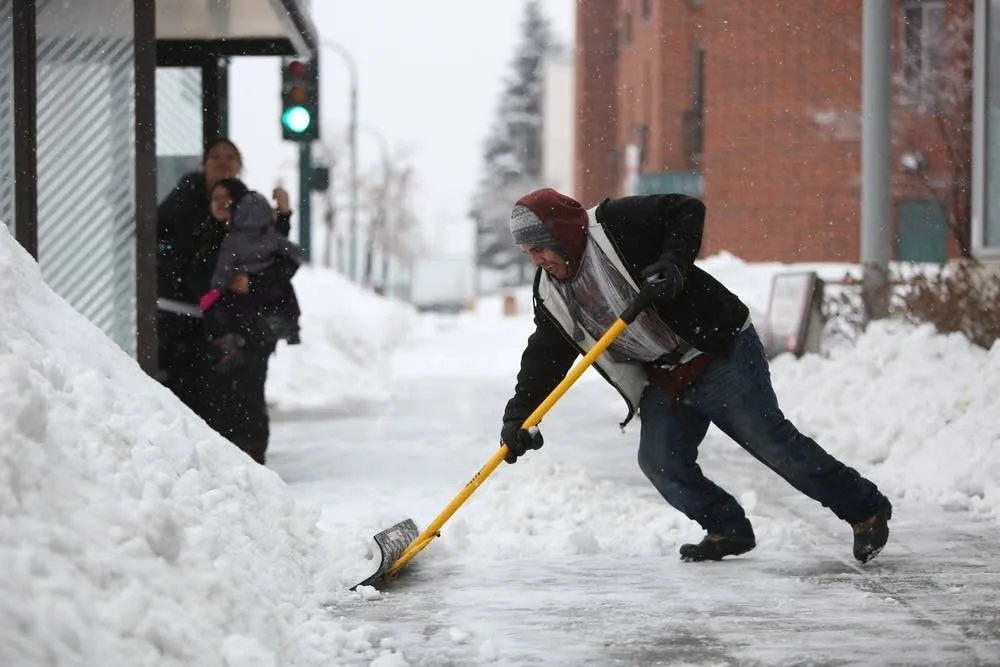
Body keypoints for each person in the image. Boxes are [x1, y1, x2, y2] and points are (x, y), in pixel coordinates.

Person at [498, 187, 893, 564]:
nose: (537, 260)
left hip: (718, 351)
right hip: (665, 374)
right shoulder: (551, 291)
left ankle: (866, 510)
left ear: (562, 232)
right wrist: (519, 417)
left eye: (539, 248)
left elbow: (685, 209)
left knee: (771, 443)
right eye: (528, 253)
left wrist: (673, 263)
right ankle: (728, 528)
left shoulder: (614, 224)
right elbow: (545, 355)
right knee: (660, 463)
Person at [156, 138, 296, 464]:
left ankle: (245, 461)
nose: (222, 162)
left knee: (244, 392)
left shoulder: (249, 207)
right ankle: (202, 461)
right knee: (196, 392)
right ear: (203, 163)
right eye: (215, 156)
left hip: (243, 321)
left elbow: (274, 254)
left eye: (230, 157)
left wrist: (284, 215)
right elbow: (165, 244)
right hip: (185, 318)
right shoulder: (184, 203)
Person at [200, 178, 302, 366]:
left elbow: (285, 265)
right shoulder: (211, 234)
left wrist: (250, 283)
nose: (222, 203)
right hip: (242, 320)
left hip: (255, 324)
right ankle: (289, 325)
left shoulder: (234, 239)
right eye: (216, 197)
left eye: (227, 198)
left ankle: (231, 340)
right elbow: (292, 253)